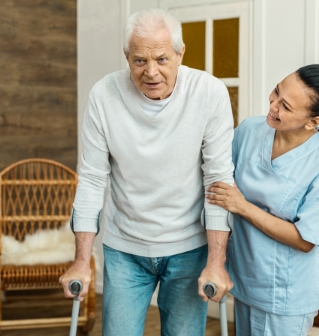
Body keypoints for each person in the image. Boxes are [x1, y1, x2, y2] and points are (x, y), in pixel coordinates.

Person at [59, 8, 235, 336]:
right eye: (140, 60)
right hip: (124, 246)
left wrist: (216, 260)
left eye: (162, 60)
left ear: (180, 54)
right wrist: (82, 259)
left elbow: (217, 180)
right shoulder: (103, 95)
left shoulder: (209, 93)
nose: (151, 72)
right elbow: (93, 178)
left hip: (187, 246)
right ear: (126, 56)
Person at [206, 64, 319, 336]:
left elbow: (305, 240)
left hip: (286, 292)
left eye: (286, 107)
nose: (273, 105)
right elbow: (217, 182)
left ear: (313, 121)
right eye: (276, 91)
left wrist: (242, 206)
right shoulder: (250, 131)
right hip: (244, 275)